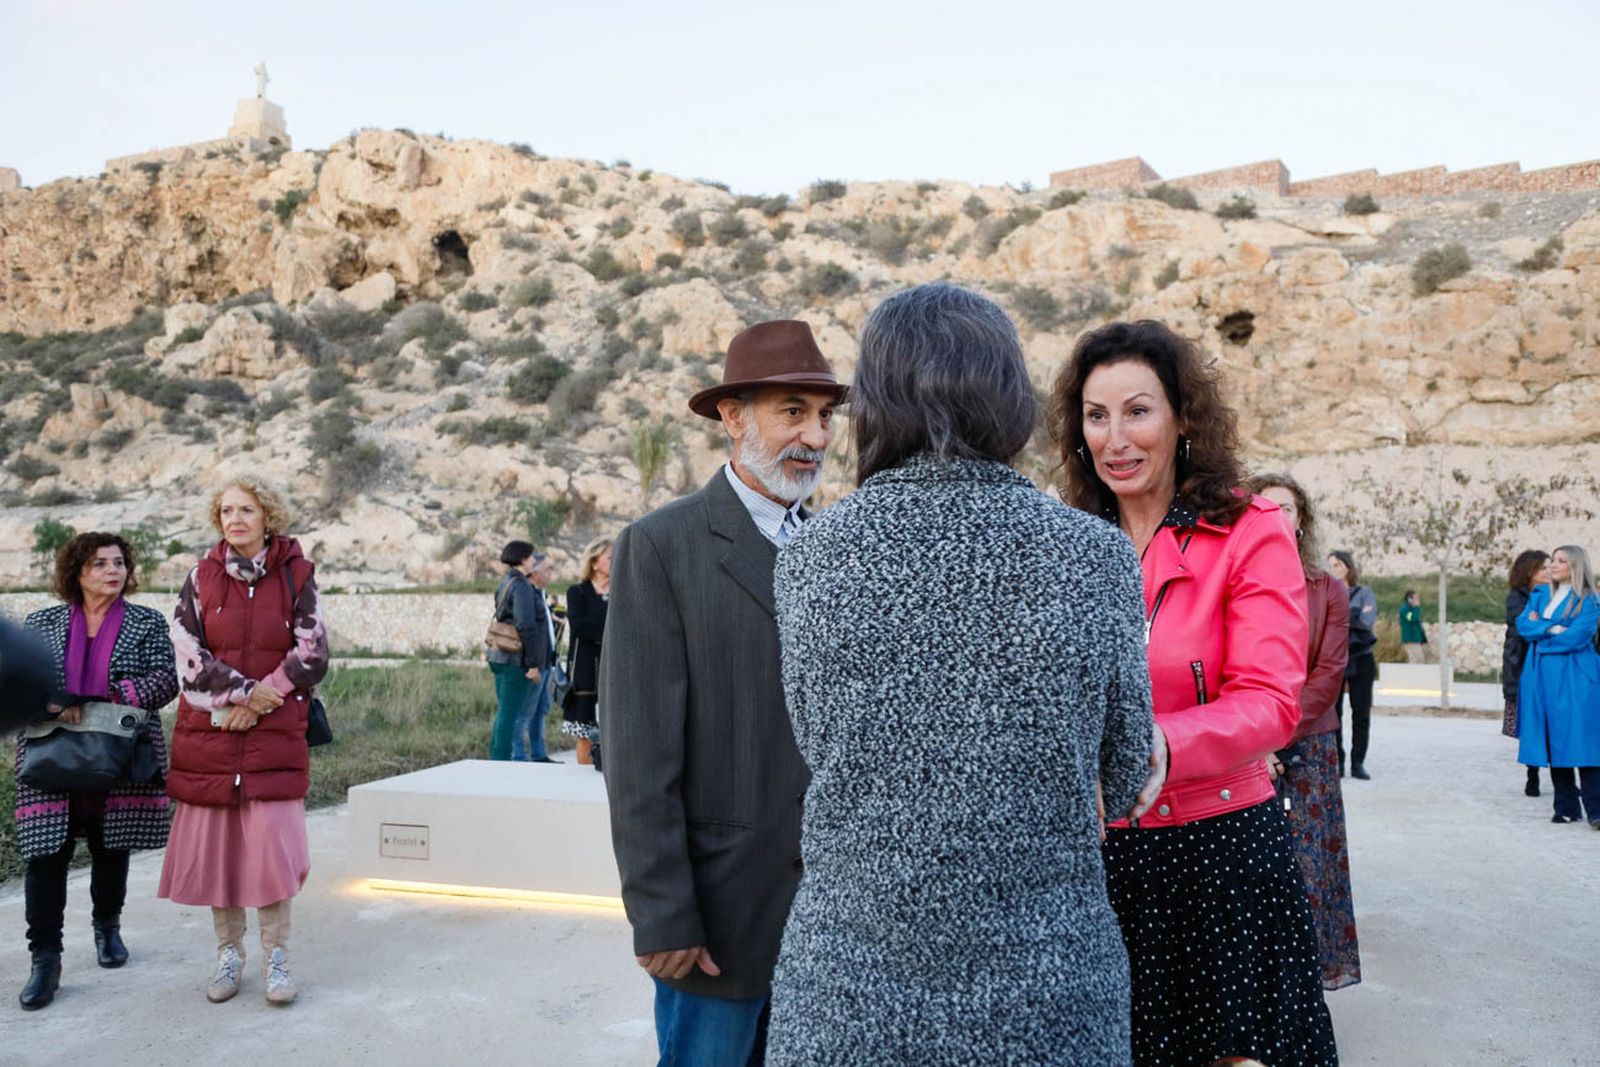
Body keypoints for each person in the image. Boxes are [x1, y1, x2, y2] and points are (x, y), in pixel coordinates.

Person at [764, 284, 1154, 1064]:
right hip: (1049, 995)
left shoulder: (807, 558)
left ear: (876, 401)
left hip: (849, 993)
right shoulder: (1097, 554)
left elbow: (820, 744)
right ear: (1009, 397)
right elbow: (1127, 767)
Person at [1050, 319, 1336, 1065]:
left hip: (1222, 861)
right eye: (1097, 414)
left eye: (1138, 410)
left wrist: (1164, 743)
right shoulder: (1068, 541)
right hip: (1098, 865)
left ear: (1182, 418)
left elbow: (1273, 699)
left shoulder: (1250, 528)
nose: (1117, 437)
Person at [602, 319, 847, 1066]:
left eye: (825, 415)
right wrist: (662, 912)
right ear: (733, 417)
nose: (814, 434)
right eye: (792, 410)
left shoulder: (839, 547)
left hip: (833, 921)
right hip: (716, 920)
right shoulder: (660, 546)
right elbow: (638, 751)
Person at [157, 479, 329, 1006]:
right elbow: (186, 651)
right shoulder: (200, 577)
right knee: (223, 856)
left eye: (246, 509)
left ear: (267, 515)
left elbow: (314, 651)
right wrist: (235, 698)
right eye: (226, 510)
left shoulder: (298, 575)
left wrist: (260, 698)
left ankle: (277, 959)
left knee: (271, 857)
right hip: (213, 735)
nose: (235, 519)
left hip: (272, 734)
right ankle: (228, 956)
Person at [14, 532, 177, 1010]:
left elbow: (166, 678)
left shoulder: (146, 622)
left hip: (120, 753)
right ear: (77, 572)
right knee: (45, 857)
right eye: (100, 563)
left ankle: (108, 929)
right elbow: (18, 678)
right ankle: (45, 959)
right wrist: (51, 702)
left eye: (120, 562)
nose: (113, 571)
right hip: (51, 753)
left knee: (112, 846)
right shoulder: (41, 623)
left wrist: (110, 698)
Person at [1250, 473, 1361, 991]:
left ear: (1301, 521)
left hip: (1308, 741)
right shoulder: (1236, 581)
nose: (1276, 515)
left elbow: (1328, 673)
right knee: (1251, 868)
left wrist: (1275, 736)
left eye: (1287, 508)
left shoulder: (1329, 589)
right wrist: (1254, 742)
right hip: (1244, 748)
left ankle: (1305, 982)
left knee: (1308, 862)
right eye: (1264, 506)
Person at [1515, 545, 1600, 826]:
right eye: (1553, 560)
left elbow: (1577, 637)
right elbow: (1523, 626)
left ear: (1575, 566)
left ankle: (1595, 809)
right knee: (1555, 740)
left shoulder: (1587, 600)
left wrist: (1542, 636)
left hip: (1577, 677)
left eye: (1561, 561)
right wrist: (1551, 628)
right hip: (1541, 678)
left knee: (1584, 740)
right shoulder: (1540, 595)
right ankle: (1565, 806)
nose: (1553, 565)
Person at [487, 541, 558, 763]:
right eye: (530, 558)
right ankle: (502, 760)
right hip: (514, 659)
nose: (533, 562)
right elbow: (525, 626)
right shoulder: (522, 587)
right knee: (510, 713)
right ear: (522, 559)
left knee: (505, 712)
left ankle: (497, 755)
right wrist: (533, 665)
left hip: (499, 654)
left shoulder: (506, 582)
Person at [561, 538, 612, 769]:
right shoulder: (577, 592)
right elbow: (580, 626)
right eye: (610, 558)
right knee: (585, 730)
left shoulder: (623, 591)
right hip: (586, 671)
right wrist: (612, 625)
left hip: (615, 668)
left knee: (614, 729)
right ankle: (583, 778)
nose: (615, 561)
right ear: (594, 562)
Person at [1503, 550, 1550, 797]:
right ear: (1529, 571)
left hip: (1548, 663)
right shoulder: (1516, 597)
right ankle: (1532, 774)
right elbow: (1523, 626)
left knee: (1551, 722)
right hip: (1522, 664)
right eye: (1543, 568)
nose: (1548, 572)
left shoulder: (1556, 594)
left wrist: (1539, 621)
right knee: (1531, 725)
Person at [1328, 549, 1378, 780]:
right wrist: (1351, 617)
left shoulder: (1364, 593)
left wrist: (1340, 620)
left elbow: (1366, 622)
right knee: (1333, 713)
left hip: (1361, 657)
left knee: (1361, 713)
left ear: (1348, 566)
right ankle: (1337, 760)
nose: (1333, 569)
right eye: (1331, 565)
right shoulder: (1327, 593)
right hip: (1335, 658)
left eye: (1337, 564)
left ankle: (1358, 763)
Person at [1399, 589, 1427, 663]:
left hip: (1415, 639)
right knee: (1415, 659)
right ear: (1409, 599)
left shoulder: (1413, 609)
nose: (1418, 600)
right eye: (1416, 598)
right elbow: (1412, 618)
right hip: (1410, 639)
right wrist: (1416, 607)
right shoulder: (1405, 610)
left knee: (1420, 659)